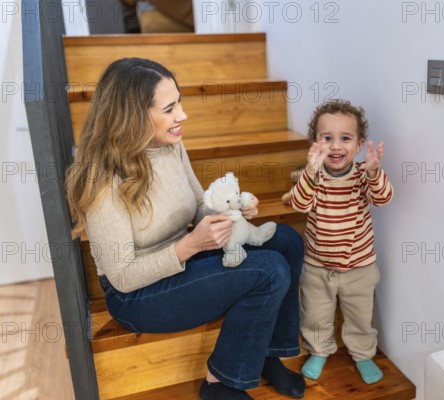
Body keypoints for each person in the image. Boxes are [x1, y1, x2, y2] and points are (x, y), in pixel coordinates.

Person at [65, 57, 305, 400]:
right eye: (170, 107)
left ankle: (267, 354)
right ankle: (219, 383)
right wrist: (191, 245)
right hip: (138, 295)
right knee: (269, 270)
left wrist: (233, 210)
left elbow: (197, 205)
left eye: (180, 102)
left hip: (184, 258)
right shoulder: (103, 179)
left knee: (286, 240)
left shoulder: (170, 143)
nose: (183, 115)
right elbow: (122, 277)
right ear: (134, 117)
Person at [289, 99, 394, 384]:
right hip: (317, 266)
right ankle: (319, 350)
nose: (336, 146)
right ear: (315, 143)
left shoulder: (362, 175)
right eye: (327, 138)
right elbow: (299, 204)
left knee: (360, 317)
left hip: (359, 267)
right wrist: (310, 172)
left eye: (345, 139)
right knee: (315, 314)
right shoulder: (312, 176)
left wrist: (374, 172)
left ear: (359, 145)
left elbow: (383, 198)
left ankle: (363, 354)